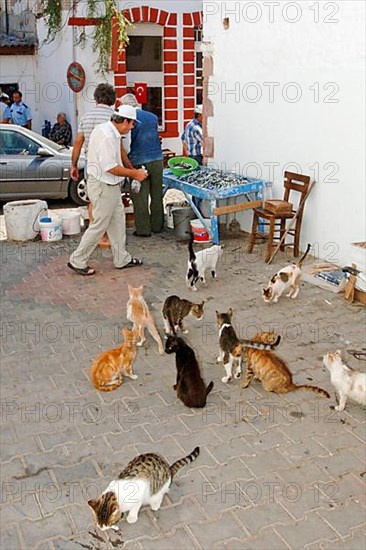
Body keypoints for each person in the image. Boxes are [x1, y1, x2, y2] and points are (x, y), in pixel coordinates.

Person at [68, 105, 148, 276]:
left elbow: (119, 154)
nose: (133, 127)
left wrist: (132, 169)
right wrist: (135, 173)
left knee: (118, 221)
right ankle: (78, 259)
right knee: (99, 225)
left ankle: (122, 258)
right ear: (125, 121)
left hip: (110, 185)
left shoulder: (108, 130)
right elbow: (110, 167)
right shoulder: (107, 136)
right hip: (103, 185)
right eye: (132, 123)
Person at [120, 93, 164, 237]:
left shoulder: (129, 119)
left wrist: (127, 163)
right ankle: (158, 226)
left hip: (139, 161)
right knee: (157, 194)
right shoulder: (152, 117)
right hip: (157, 159)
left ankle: (144, 230)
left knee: (140, 197)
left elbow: (126, 146)